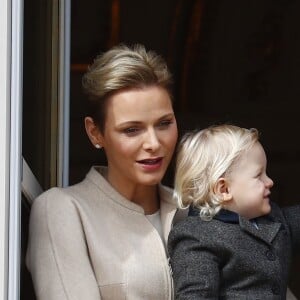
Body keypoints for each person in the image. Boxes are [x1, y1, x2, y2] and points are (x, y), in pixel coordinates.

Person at [26, 43, 178, 299]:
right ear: (95, 132)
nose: (153, 143)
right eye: (132, 129)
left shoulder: (194, 211)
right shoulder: (62, 210)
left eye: (164, 124)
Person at [168, 124, 300, 299]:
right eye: (259, 175)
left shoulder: (274, 219)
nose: (270, 181)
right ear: (224, 189)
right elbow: (196, 295)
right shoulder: (197, 236)